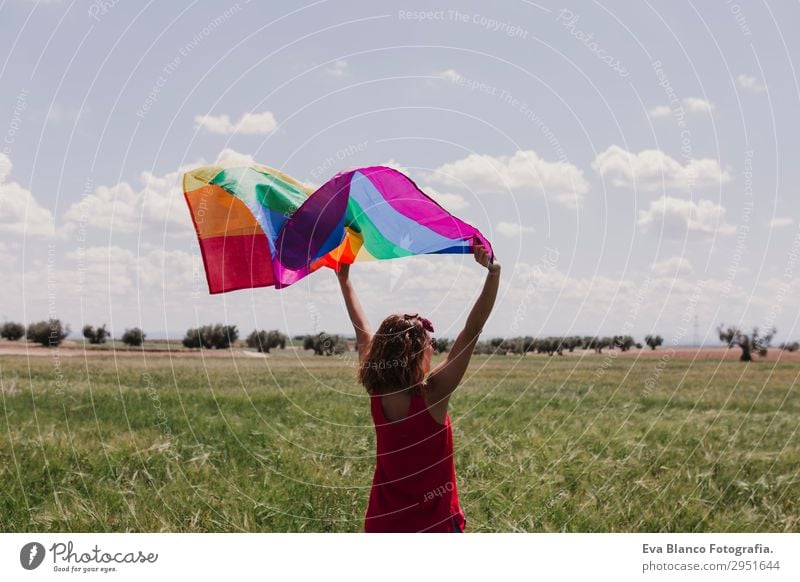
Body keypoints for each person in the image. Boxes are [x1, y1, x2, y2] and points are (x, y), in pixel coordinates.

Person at [335, 236, 501, 532]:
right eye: (429, 344)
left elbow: (362, 332)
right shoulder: (434, 394)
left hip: (382, 524)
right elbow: (473, 328)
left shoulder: (377, 391)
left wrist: (344, 279)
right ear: (414, 355)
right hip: (434, 526)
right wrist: (492, 273)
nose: (433, 350)